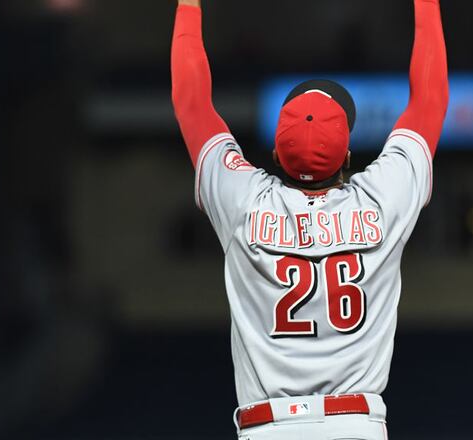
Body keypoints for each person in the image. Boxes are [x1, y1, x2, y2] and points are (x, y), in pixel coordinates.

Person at [171, 0, 448, 437]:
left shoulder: (244, 201)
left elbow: (192, 102)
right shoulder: (381, 199)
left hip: (269, 427)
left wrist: (188, 7)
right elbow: (429, 99)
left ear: (276, 153)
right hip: (355, 424)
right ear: (348, 155)